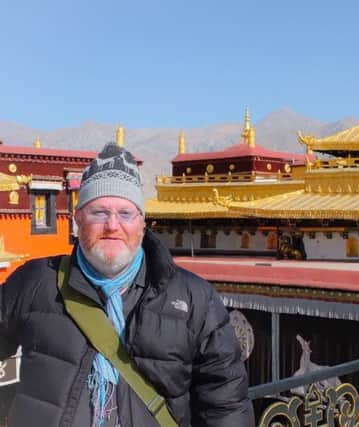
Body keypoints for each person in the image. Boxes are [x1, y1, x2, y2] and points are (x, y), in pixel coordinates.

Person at [0, 142, 253, 426]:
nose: (112, 225)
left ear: (142, 223)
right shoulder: (34, 283)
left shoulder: (195, 299)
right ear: (77, 219)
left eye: (125, 213)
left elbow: (226, 404)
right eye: (99, 212)